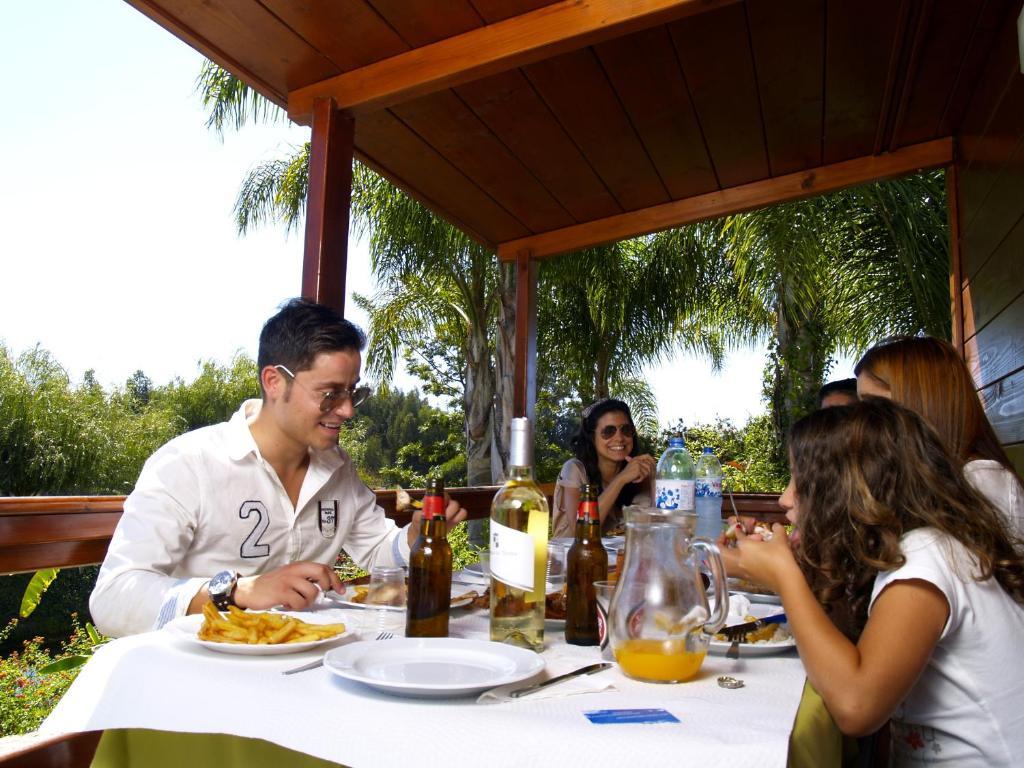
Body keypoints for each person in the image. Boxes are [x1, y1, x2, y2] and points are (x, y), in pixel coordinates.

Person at [90, 298, 467, 637]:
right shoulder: (189, 464)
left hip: (302, 667)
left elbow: (376, 553)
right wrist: (237, 591)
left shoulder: (338, 469)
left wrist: (418, 534)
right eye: (330, 394)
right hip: (199, 675)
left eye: (353, 392)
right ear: (274, 381)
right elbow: (112, 599)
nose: (348, 410)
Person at [723, 398, 1024, 766]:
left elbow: (856, 708)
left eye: (801, 480)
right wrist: (768, 569)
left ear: (850, 489)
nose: (786, 498)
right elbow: (845, 637)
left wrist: (786, 576)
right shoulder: (924, 546)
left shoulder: (927, 560)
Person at [855, 335, 1023, 537]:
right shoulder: (928, 483)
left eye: (872, 405)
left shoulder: (980, 482)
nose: (860, 420)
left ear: (917, 401)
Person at [551, 398, 655, 539]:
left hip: (619, 558)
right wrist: (621, 479)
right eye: (608, 431)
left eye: (626, 430)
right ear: (592, 438)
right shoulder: (574, 469)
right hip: (572, 558)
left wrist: (655, 478)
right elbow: (582, 533)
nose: (619, 438)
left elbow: (657, 527)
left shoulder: (637, 473)